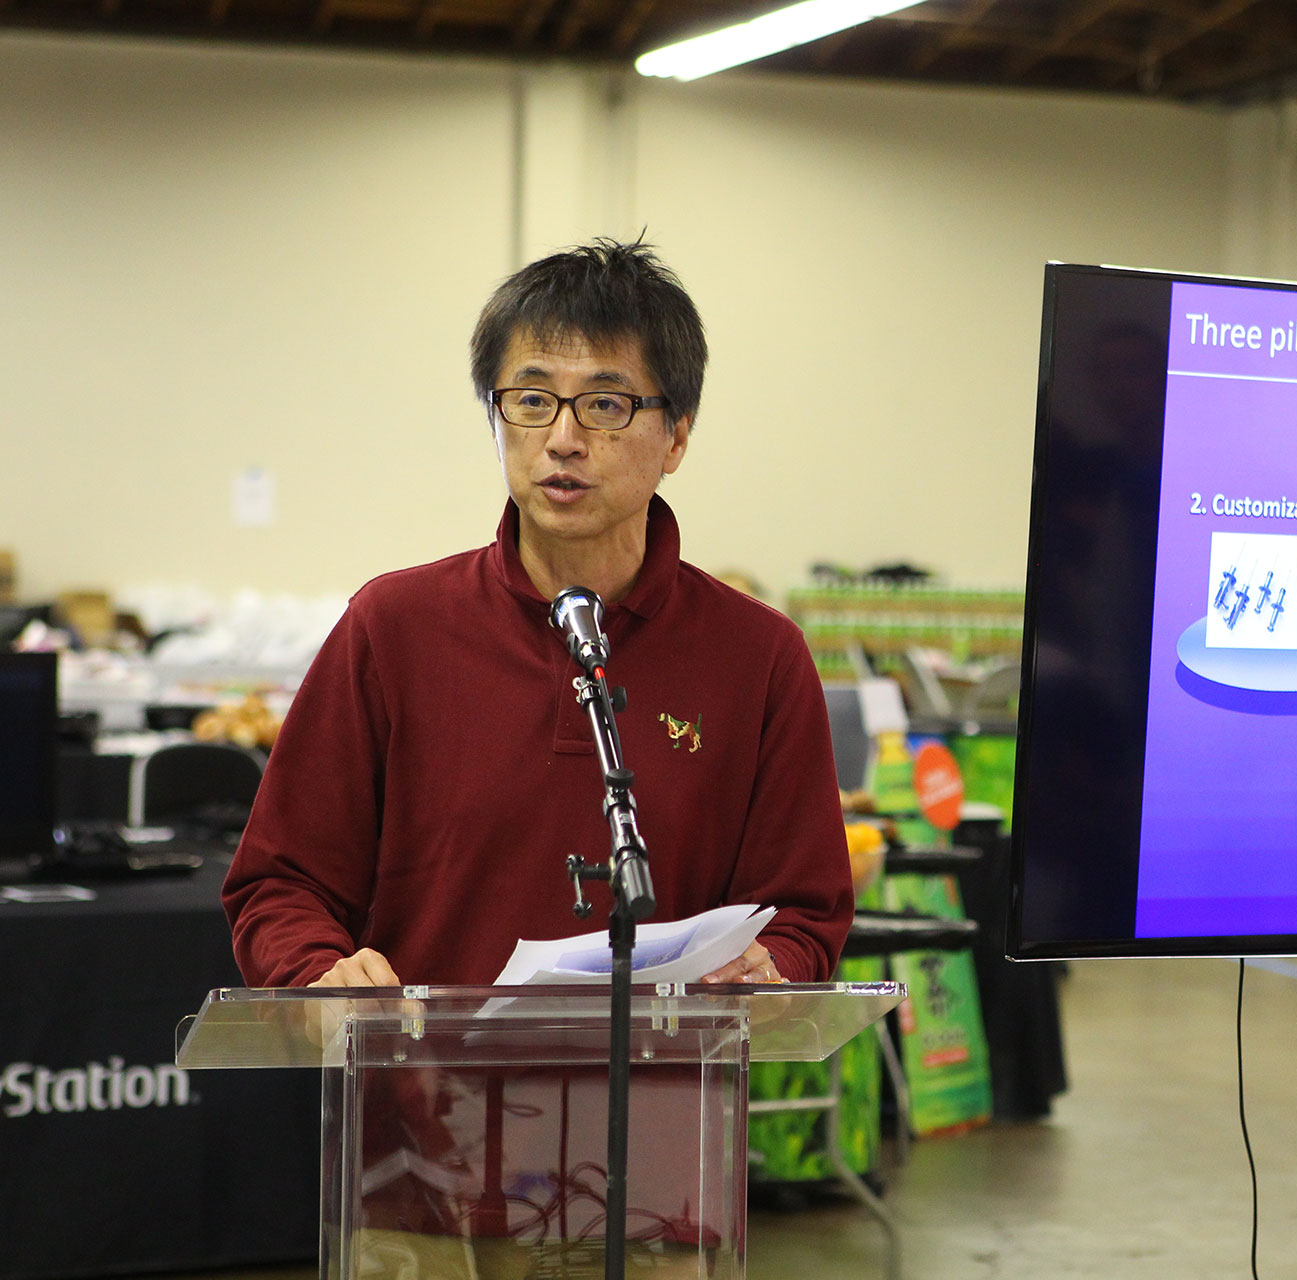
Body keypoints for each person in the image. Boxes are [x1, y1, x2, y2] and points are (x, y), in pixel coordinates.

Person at [223, 239, 853, 990]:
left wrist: (772, 965)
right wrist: (318, 969)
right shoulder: (393, 627)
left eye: (605, 405)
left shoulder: (758, 655)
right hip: (425, 1094)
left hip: (664, 1098)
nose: (562, 439)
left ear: (677, 435)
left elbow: (804, 912)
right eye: (530, 401)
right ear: (494, 418)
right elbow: (279, 883)